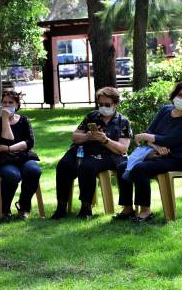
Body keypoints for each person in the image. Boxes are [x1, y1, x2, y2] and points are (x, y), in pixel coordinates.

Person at [114, 80, 182, 222]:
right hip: (154, 153)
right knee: (123, 166)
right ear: (174, 95)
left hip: (175, 159)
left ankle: (146, 211)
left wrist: (148, 137)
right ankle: (128, 208)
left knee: (140, 168)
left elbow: (171, 140)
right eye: (180, 95)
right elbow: (150, 133)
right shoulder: (165, 110)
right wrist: (157, 146)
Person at [50, 87, 132, 219]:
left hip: (108, 154)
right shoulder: (92, 116)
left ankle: (86, 208)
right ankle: (61, 207)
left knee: (87, 167)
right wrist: (87, 136)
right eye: (100, 104)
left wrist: (105, 140)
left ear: (116, 104)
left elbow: (122, 149)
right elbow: (75, 137)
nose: (103, 107)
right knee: (63, 165)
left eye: (107, 105)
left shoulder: (123, 122)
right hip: (84, 149)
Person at [0, 90, 41, 219]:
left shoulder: (24, 120)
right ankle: (5, 210)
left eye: (10, 102)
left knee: (34, 171)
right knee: (12, 175)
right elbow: (1, 146)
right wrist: (5, 119)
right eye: (4, 103)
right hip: (2, 160)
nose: (7, 105)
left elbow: (30, 142)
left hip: (23, 158)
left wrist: (9, 148)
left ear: (17, 105)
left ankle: (23, 205)